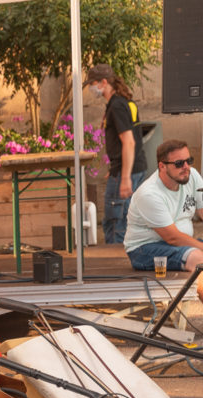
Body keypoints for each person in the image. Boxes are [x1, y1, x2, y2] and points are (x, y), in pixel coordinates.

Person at [85, 64, 147, 244]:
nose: (91, 88)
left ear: (104, 82)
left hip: (126, 172)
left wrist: (125, 176)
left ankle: (115, 264)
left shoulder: (117, 106)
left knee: (116, 223)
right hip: (130, 167)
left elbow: (129, 141)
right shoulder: (124, 102)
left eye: (93, 83)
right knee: (125, 219)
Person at [123, 139, 203, 276]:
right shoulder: (149, 194)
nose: (186, 167)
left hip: (179, 244)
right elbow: (173, 238)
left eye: (188, 161)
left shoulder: (192, 175)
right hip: (145, 249)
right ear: (162, 166)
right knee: (198, 258)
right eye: (179, 163)